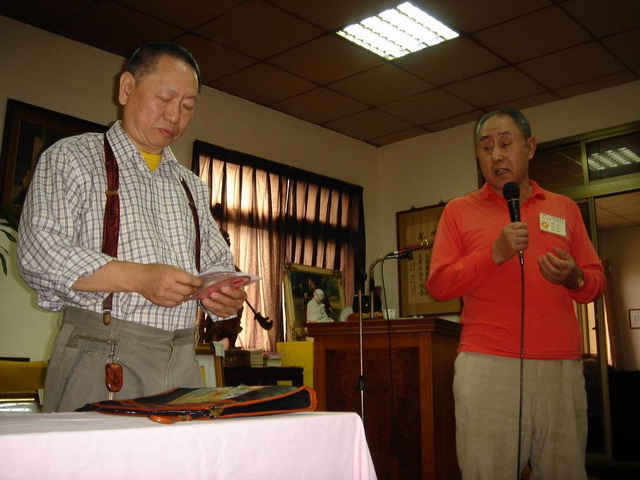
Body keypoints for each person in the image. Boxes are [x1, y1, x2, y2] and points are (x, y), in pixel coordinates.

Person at [17, 42, 246, 412]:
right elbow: (40, 253)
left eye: (188, 106)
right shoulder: (72, 157)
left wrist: (225, 297)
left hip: (183, 360)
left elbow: (218, 263)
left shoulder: (191, 185)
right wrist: (139, 278)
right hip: (102, 355)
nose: (175, 116)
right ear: (126, 88)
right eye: (165, 98)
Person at [426, 110, 605, 480]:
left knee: (565, 472)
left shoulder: (564, 208)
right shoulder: (458, 211)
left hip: (559, 367)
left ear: (530, 147)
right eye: (486, 148)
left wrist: (574, 277)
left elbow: (595, 281)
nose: (496, 156)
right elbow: (439, 284)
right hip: (486, 364)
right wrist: (493, 254)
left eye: (506, 144)